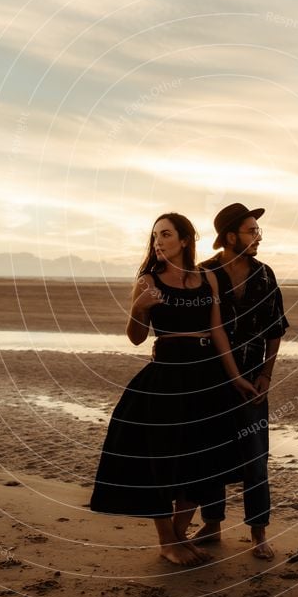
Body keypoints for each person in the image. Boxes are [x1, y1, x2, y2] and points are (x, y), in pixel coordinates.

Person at [90, 212, 257, 567]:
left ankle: (179, 534)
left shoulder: (207, 278)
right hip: (167, 378)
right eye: (154, 237)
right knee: (162, 461)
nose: (158, 242)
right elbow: (136, 338)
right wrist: (138, 307)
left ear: (184, 240)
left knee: (202, 460)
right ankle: (167, 540)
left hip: (207, 377)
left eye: (165, 235)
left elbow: (218, 333)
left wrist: (236, 376)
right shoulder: (148, 281)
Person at [195, 203, 289, 559]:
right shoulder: (203, 274)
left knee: (255, 456)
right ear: (230, 236)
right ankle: (212, 523)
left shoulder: (265, 275)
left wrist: (266, 374)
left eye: (258, 231)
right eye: (252, 231)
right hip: (208, 380)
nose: (258, 237)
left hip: (252, 382)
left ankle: (258, 532)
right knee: (210, 453)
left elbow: (275, 329)